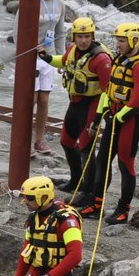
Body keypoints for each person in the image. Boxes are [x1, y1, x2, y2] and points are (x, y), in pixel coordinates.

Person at [78, 21, 139, 225]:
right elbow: (108, 93)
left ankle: (123, 210)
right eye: (117, 40)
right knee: (102, 161)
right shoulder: (119, 60)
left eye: (121, 41)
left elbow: (137, 102)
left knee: (125, 164)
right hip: (113, 118)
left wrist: (116, 119)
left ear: (133, 40)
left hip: (130, 121)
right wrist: (98, 118)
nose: (118, 44)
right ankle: (97, 204)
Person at [48, 16, 112, 194]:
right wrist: (46, 57)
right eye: (79, 37)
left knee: (86, 147)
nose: (83, 41)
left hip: (92, 105)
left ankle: (88, 191)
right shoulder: (72, 49)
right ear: (74, 37)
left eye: (87, 37)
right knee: (67, 142)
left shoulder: (102, 59)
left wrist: (98, 118)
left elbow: (108, 92)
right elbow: (63, 61)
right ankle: (76, 181)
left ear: (92, 36)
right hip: (75, 103)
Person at [31, 0, 76, 156]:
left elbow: (59, 32)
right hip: (31, 56)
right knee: (31, 100)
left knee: (44, 99)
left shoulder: (59, 3)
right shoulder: (31, 1)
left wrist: (62, 58)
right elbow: (18, 31)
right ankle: (24, 141)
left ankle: (39, 140)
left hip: (48, 56)